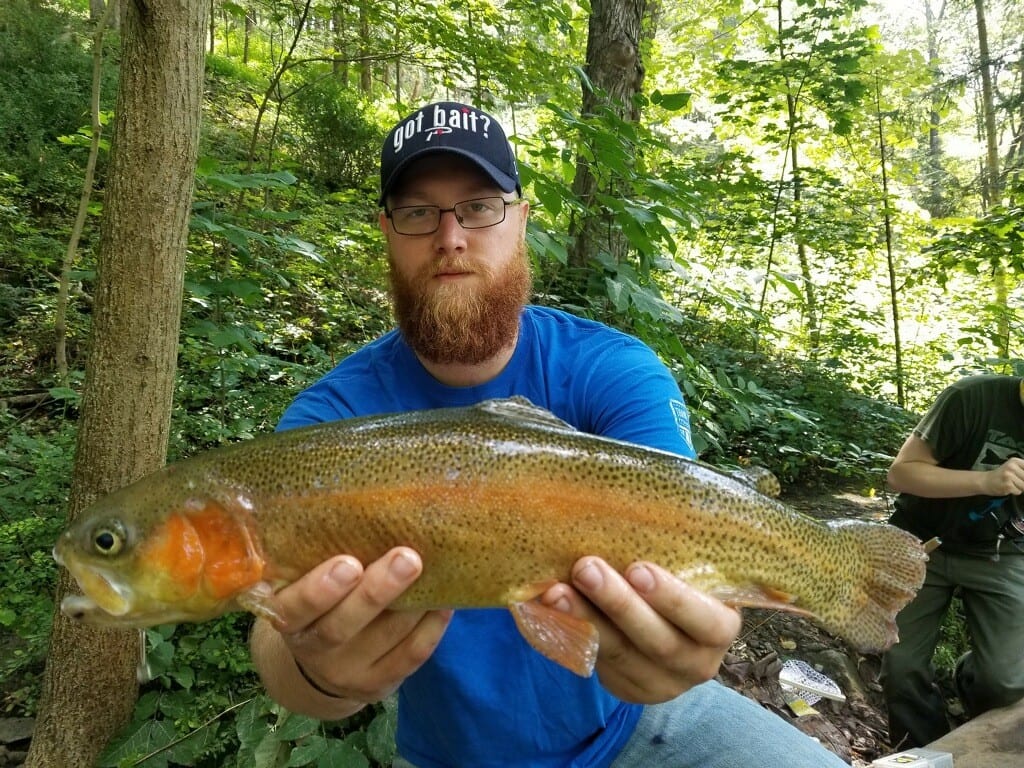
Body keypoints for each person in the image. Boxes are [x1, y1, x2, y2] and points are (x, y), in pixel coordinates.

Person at [249, 100, 847, 768]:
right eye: (418, 212)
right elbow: (273, 631)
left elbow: (686, 520)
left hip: (641, 718)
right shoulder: (329, 423)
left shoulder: (611, 369)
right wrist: (317, 674)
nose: (450, 237)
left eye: (479, 207)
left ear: (521, 220)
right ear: (387, 232)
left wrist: (675, 646)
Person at [881, 374, 1024, 748]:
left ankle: (971, 685)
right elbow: (901, 473)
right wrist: (986, 481)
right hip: (920, 541)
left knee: (1006, 681)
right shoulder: (971, 398)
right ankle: (922, 751)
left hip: (1003, 552)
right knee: (901, 667)